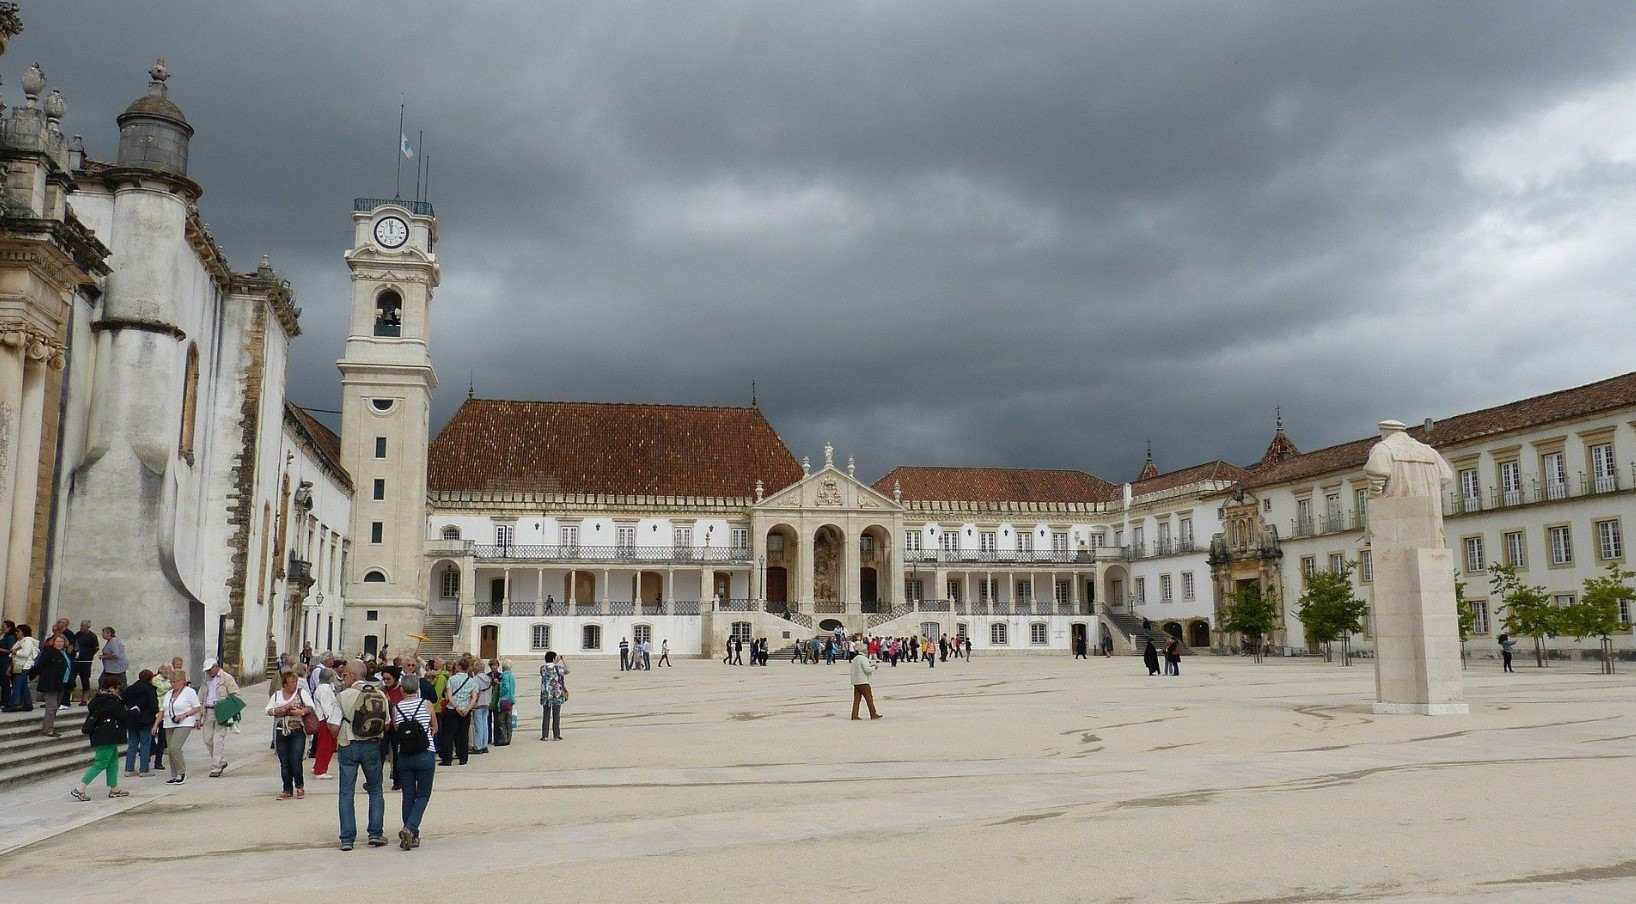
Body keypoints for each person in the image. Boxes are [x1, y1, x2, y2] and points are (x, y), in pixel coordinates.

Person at [334, 658, 390, 850]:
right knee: (375, 789)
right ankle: (375, 833)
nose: (343, 679)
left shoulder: (343, 696)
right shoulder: (380, 694)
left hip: (348, 744)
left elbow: (333, 725)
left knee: (346, 792)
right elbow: (387, 722)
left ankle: (347, 838)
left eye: (344, 675)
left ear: (351, 675)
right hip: (372, 745)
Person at [391, 674, 437, 850]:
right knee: (423, 795)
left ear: (402, 689)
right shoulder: (426, 704)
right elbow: (435, 727)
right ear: (417, 688)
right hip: (425, 753)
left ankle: (411, 835)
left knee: (408, 795)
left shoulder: (397, 708)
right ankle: (410, 828)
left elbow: (397, 728)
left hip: (405, 755)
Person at [71, 674, 131, 801]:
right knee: (101, 762)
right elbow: (123, 715)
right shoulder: (109, 701)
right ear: (112, 688)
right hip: (106, 735)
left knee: (113, 762)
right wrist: (134, 711)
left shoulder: (98, 699)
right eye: (117, 688)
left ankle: (114, 788)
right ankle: (80, 788)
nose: (118, 691)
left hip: (103, 734)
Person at [265, 670, 314, 800]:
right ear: (285, 684)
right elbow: (268, 710)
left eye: (295, 682)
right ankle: (287, 789)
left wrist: (301, 711)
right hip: (281, 730)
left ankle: (299, 785)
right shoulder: (277, 695)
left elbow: (310, 706)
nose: (294, 685)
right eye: (292, 682)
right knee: (284, 762)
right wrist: (282, 709)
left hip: (297, 730)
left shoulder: (301, 693)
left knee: (295, 759)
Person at [155, 670, 201, 784]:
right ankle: (174, 775)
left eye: (175, 682)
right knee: (170, 750)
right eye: (171, 682)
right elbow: (162, 710)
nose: (173, 684)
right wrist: (155, 724)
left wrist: (184, 715)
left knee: (175, 747)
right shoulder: (169, 694)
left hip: (184, 722)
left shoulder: (189, 692)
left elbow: (197, 707)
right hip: (168, 723)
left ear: (182, 681)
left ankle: (182, 772)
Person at [198, 657, 241, 778]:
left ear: (216, 667)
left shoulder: (226, 678)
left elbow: (236, 694)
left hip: (222, 710)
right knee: (207, 739)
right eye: (207, 671)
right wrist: (199, 715)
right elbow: (201, 696)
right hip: (208, 710)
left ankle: (216, 767)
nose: (208, 673)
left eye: (209, 670)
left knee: (218, 739)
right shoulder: (206, 679)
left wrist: (227, 707)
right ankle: (220, 761)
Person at [31, 633, 74, 735]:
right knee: (51, 707)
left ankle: (49, 726)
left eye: (62, 642)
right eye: (57, 641)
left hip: (62, 684)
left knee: (55, 707)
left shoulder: (65, 653)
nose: (60, 643)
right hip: (50, 683)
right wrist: (33, 675)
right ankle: (47, 730)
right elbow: (40, 665)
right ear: (53, 642)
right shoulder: (49, 652)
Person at [439, 658, 479, 766]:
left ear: (458, 667)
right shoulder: (472, 681)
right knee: (463, 735)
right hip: (466, 709)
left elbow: (449, 695)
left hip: (452, 709)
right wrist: (467, 709)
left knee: (448, 735)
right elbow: (474, 697)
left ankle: (447, 759)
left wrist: (456, 706)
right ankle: (463, 758)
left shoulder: (452, 679)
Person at [121, 669, 159, 777]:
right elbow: (153, 706)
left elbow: (122, 700)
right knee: (145, 744)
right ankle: (144, 769)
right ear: (150, 678)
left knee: (132, 744)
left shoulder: (130, 688)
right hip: (145, 720)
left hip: (131, 719)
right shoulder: (150, 689)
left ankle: (129, 769)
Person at [311, 666, 340, 778]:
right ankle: (320, 770)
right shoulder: (325, 689)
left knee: (323, 745)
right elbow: (327, 707)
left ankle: (318, 766)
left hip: (323, 719)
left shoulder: (323, 688)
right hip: (325, 720)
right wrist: (331, 722)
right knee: (326, 746)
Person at [540, 651, 568, 741]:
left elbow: (549, 668)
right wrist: (562, 660)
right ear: (553, 658)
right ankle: (556, 735)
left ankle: (545, 735)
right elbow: (567, 670)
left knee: (546, 715)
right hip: (556, 694)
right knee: (556, 715)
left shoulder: (543, 668)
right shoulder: (558, 668)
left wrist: (554, 662)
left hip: (546, 695)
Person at [849, 645, 881, 720]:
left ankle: (854, 715)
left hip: (856, 682)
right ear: (864, 651)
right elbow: (867, 669)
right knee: (869, 698)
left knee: (856, 700)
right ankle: (873, 714)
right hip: (863, 682)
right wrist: (874, 668)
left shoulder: (855, 658)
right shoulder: (863, 658)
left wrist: (870, 665)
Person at [71, 620, 99, 705]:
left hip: (86, 661)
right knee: (71, 678)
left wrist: (89, 655)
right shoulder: (77, 634)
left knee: (85, 679)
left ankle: (84, 699)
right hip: (76, 660)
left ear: (88, 627)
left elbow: (96, 648)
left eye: (83, 626)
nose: (81, 628)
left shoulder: (92, 636)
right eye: (81, 626)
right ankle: (69, 696)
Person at [470, 659, 493, 754]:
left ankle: (478, 746)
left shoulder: (475, 679)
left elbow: (474, 691)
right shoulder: (488, 678)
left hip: (478, 704)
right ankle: (484, 745)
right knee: (485, 725)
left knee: (478, 726)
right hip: (486, 703)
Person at [494, 660, 516, 746]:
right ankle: (509, 738)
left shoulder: (504, 676)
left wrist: (499, 686)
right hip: (511, 699)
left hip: (504, 699)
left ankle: (504, 738)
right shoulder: (511, 676)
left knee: (502, 720)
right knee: (509, 720)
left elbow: (506, 687)